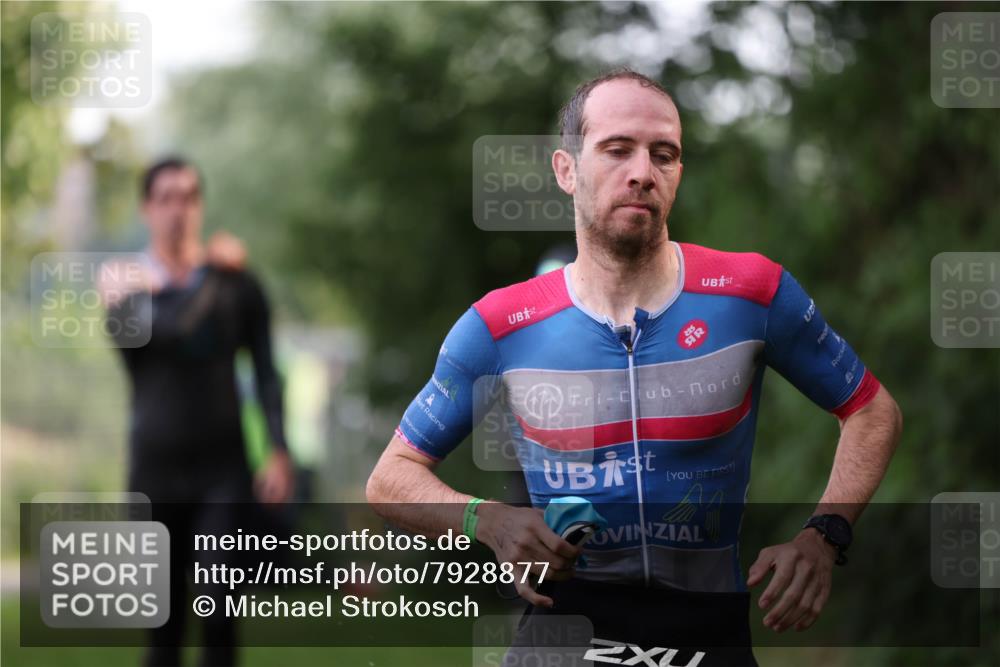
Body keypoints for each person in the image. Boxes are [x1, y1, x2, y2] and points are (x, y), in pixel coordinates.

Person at [366, 70, 902, 666]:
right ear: (566, 170)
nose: (642, 171)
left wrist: (825, 535)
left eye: (663, 154)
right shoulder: (500, 324)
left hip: (708, 628)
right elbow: (391, 477)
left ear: (677, 174)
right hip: (564, 626)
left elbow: (872, 410)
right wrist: (488, 521)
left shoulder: (752, 293)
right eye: (617, 149)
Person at [102, 156, 295, 667]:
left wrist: (277, 450)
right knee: (162, 630)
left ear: (200, 205)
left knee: (218, 614)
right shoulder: (125, 290)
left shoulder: (236, 285)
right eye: (165, 198)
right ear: (147, 208)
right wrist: (146, 289)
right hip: (155, 473)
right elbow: (153, 339)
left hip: (222, 474)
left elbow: (268, 371)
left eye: (188, 196)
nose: (177, 210)